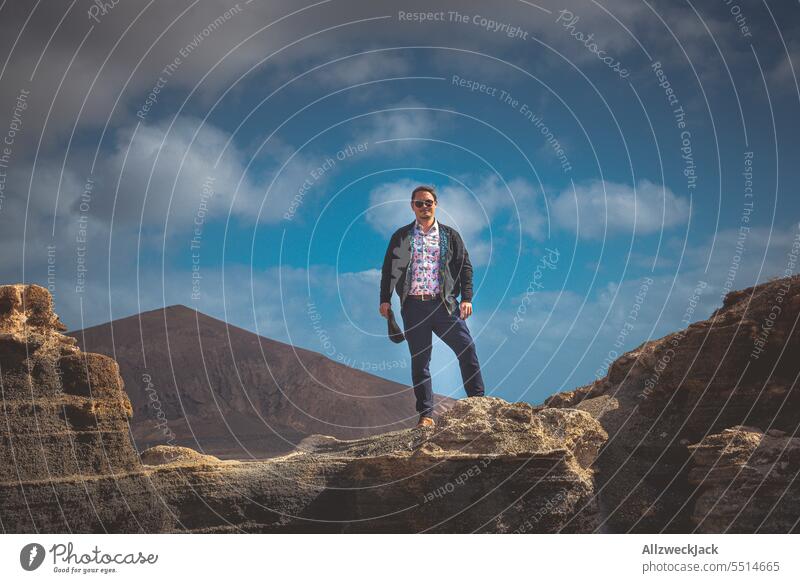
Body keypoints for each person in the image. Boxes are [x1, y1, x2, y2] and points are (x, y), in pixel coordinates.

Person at [379, 185, 485, 428]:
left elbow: (465, 267)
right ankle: (426, 414)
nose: (424, 207)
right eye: (419, 203)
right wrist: (384, 300)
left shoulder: (450, 235)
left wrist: (467, 298)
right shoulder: (401, 236)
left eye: (428, 202)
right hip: (414, 307)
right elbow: (388, 270)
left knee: (466, 348)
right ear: (412, 206)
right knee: (420, 361)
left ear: (435, 204)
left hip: (444, 305)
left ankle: (478, 402)